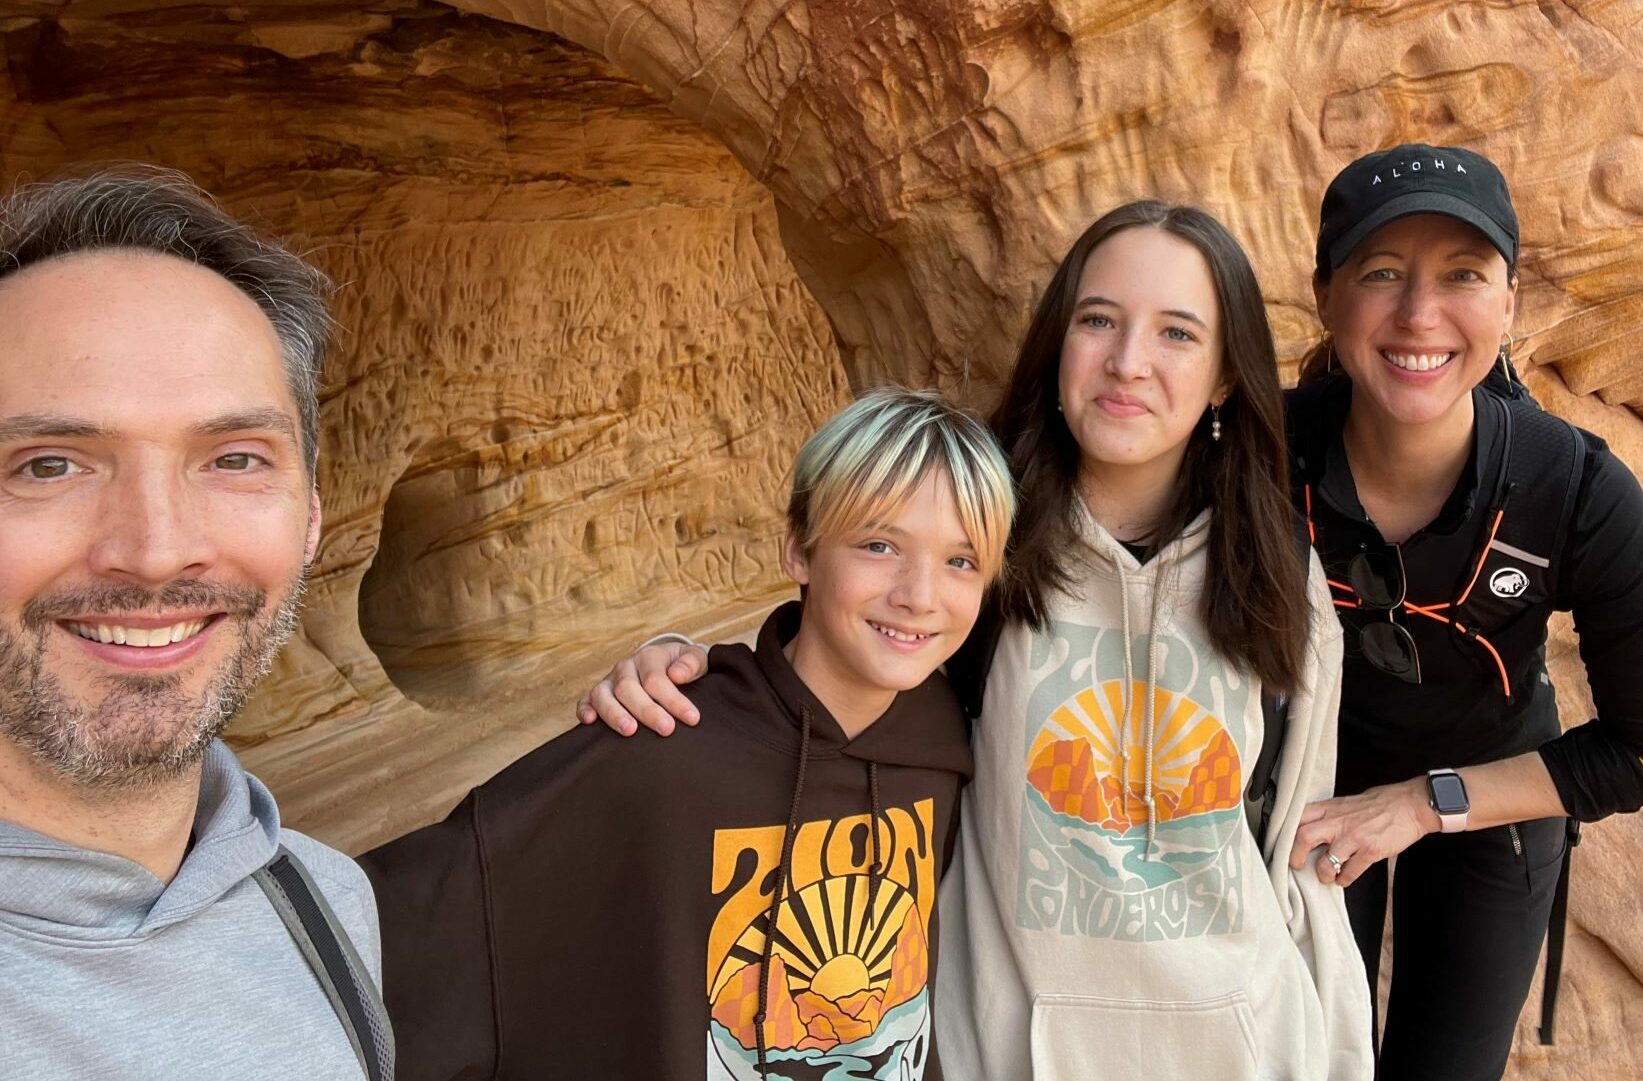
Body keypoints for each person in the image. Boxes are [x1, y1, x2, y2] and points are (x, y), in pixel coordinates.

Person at [578, 203, 1375, 1079]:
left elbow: (1299, 849)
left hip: (1244, 1042)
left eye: (1178, 333)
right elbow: (843, 649)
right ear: (1058, 341)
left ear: (1227, 375)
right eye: (1097, 319)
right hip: (1013, 1046)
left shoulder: (1275, 569)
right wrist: (681, 662)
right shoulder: (982, 535)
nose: (1128, 361)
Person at [361, 388, 1016, 1080]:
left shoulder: (948, 742)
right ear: (798, 547)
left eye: (961, 561)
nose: (919, 593)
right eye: (880, 544)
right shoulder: (666, 741)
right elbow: (437, 905)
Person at [1280, 144, 1643, 1079]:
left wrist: (1425, 804)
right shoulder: (1258, 457)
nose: (1419, 315)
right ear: (1326, 295)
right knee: (1294, 1060)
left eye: (1463, 275)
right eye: (1382, 272)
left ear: (1510, 303)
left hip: (1490, 797)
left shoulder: (1574, 489)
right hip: (1300, 802)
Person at [0, 168, 389, 1080]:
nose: (157, 550)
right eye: (49, 464)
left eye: (235, 458)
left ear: (311, 519)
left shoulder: (326, 905)